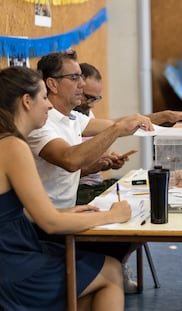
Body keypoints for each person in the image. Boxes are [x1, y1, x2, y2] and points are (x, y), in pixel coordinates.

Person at [0, 66, 132, 310]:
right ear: (26, 101)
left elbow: (17, 213)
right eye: (43, 98)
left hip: (15, 249)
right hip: (12, 262)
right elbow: (49, 223)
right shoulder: (13, 147)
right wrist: (112, 216)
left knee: (90, 296)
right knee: (112, 271)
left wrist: (66, 212)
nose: (49, 106)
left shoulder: (8, 142)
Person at [27, 50, 153, 295]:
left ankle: (103, 279)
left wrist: (166, 117)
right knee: (124, 231)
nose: (82, 84)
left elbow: (121, 125)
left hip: (65, 212)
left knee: (135, 220)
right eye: (75, 78)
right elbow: (70, 160)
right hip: (46, 226)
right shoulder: (40, 124)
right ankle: (105, 277)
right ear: (51, 84)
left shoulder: (72, 117)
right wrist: (117, 130)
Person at [74, 62, 182, 205]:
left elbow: (119, 125)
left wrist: (107, 161)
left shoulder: (84, 114)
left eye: (96, 99)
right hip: (79, 191)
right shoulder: (60, 121)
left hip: (95, 184)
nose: (91, 104)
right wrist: (89, 168)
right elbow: (118, 126)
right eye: (87, 97)